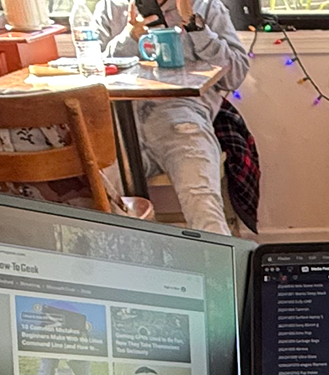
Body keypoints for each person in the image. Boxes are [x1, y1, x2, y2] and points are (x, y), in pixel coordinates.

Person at [92, 0, 250, 233]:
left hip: (182, 122)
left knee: (204, 208)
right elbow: (92, 69)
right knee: (103, 208)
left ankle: (219, 264)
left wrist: (196, 27)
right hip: (120, 125)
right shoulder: (111, 7)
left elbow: (235, 75)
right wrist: (129, 37)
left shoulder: (206, 7)